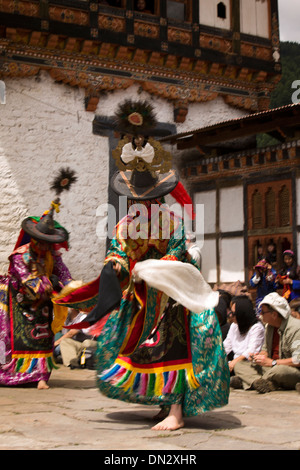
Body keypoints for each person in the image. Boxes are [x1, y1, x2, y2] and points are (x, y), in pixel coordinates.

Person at [55, 100, 230, 431]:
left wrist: (150, 269)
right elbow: (119, 254)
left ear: (158, 198)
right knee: (142, 350)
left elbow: (177, 255)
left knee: (172, 346)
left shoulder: (172, 224)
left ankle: (177, 411)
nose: (140, 203)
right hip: (139, 299)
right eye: (136, 198)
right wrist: (117, 267)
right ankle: (164, 405)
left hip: (171, 297)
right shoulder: (124, 225)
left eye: (146, 198)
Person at [0, 168, 76, 389]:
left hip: (44, 305)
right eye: (40, 241)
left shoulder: (53, 255)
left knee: (43, 338)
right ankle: (16, 374)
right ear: (33, 238)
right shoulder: (19, 256)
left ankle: (41, 377)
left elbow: (64, 275)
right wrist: (53, 283)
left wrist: (72, 289)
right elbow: (30, 283)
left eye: (47, 242)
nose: (43, 246)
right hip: (20, 302)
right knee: (20, 338)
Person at [232, 292, 300, 393]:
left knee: (279, 371)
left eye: (263, 312)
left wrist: (273, 362)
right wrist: (258, 357)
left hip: (289, 370)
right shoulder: (269, 327)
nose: (260, 315)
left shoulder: (295, 328)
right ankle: (262, 383)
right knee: (239, 365)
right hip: (270, 368)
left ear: (274, 314)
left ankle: (249, 381)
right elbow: (265, 350)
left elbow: (297, 360)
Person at [223, 295, 265, 389]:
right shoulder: (234, 326)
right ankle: (242, 382)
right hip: (234, 364)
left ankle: (256, 382)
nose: (231, 316)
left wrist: (234, 362)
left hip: (248, 363)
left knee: (239, 366)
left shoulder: (257, 328)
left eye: (234, 313)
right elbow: (226, 346)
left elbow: (251, 351)